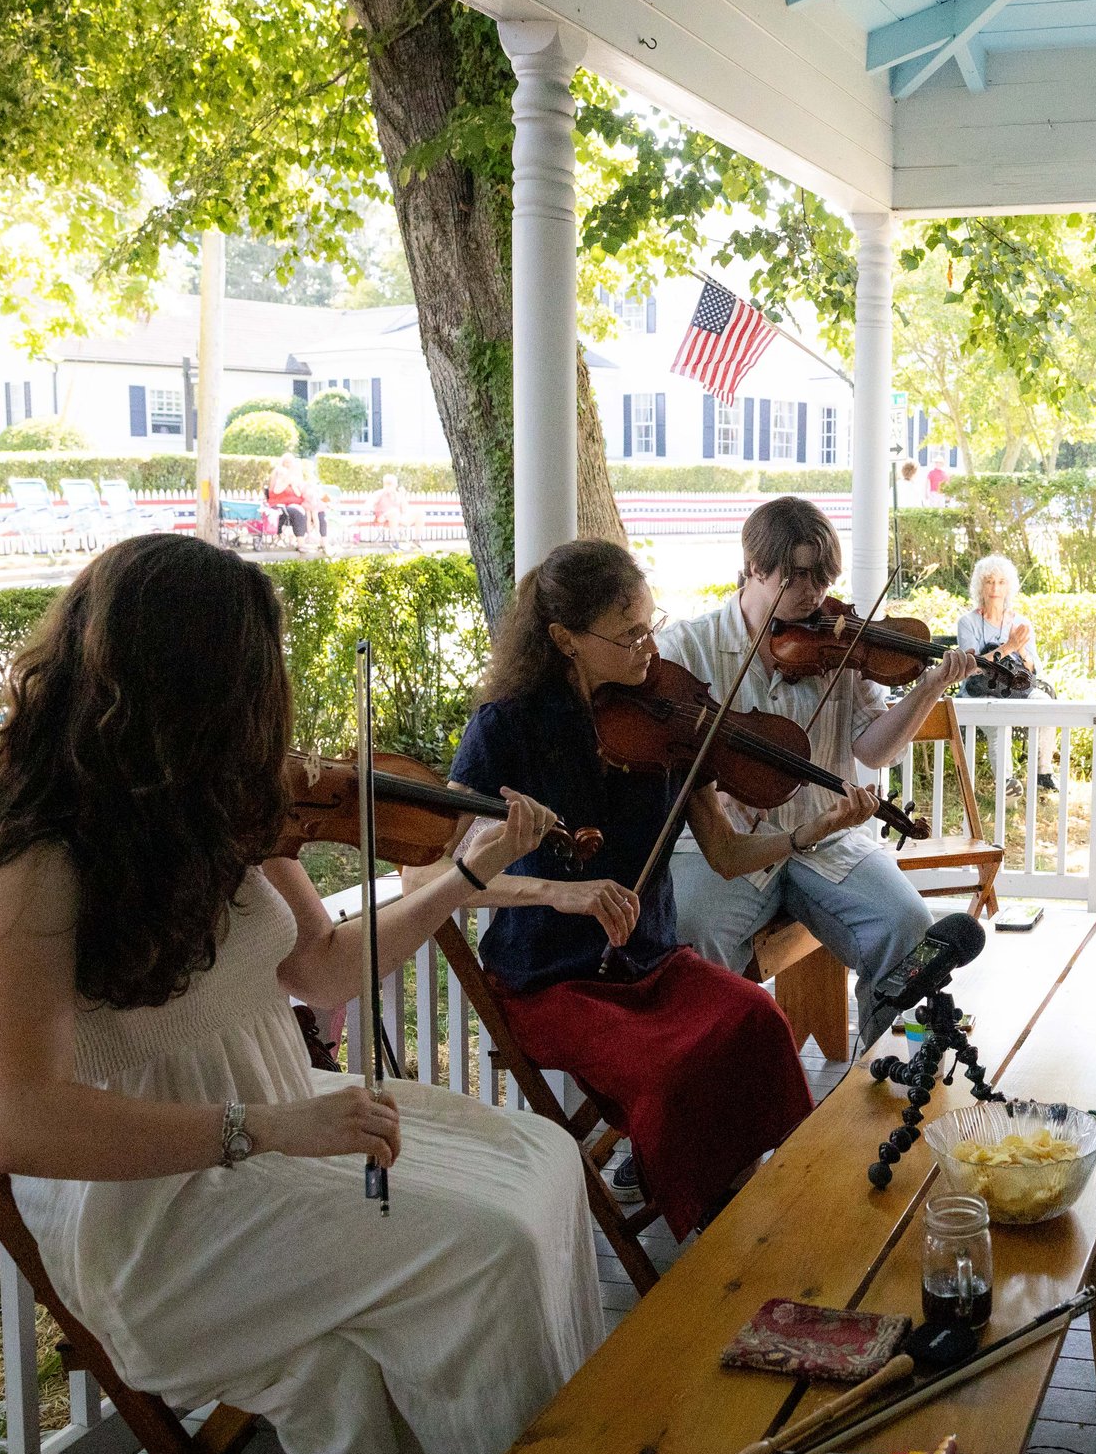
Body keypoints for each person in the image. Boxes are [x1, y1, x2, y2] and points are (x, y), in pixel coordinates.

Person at [0, 534, 602, 1454]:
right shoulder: (30, 868)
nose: (272, 705)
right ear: (183, 690)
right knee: (486, 1248)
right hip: (156, 1218)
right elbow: (16, 1121)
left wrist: (468, 872)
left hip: (283, 1127)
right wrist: (267, 1128)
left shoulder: (221, 811)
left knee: (544, 1154)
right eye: (253, 678)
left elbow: (322, 967)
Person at [418, 538, 862, 1231]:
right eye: (627, 635)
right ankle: (716, 1228)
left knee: (756, 1020)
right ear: (565, 639)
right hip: (551, 977)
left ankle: (750, 1204)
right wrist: (557, 891)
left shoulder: (664, 717)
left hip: (651, 959)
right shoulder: (506, 727)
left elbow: (726, 852)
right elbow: (428, 875)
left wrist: (807, 833)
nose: (649, 647)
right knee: (672, 1072)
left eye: (650, 624)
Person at [659, 497, 975, 1029]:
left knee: (910, 928)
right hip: (728, 845)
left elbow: (873, 750)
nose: (815, 594)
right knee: (688, 932)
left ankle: (879, 1069)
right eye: (799, 576)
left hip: (827, 834)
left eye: (824, 578)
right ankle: (711, 1065)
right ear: (754, 567)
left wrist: (930, 688)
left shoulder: (840, 643)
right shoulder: (689, 646)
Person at [956, 554, 1053, 793]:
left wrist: (1021, 650)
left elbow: (1034, 669)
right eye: (989, 582)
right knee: (1001, 723)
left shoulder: (1020, 622)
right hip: (980, 691)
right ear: (980, 585)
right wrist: (1008, 647)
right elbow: (971, 667)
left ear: (1009, 586)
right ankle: (1007, 785)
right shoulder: (968, 622)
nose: (995, 588)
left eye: (1001, 582)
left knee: (1047, 704)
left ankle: (1044, 773)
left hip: (1013, 688)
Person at [266, 460, 312, 551]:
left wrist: (293, 486)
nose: (284, 476)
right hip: (278, 508)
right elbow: (276, 491)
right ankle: (301, 544)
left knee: (311, 512)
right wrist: (286, 482)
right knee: (297, 513)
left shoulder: (290, 484)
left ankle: (313, 538)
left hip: (291, 507)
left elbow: (299, 495)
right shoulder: (277, 485)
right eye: (282, 474)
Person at [368, 473, 416, 548]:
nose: (393, 486)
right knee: (394, 512)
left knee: (419, 513)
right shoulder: (379, 493)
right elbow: (369, 504)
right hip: (381, 518)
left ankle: (417, 541)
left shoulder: (398, 495)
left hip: (396, 519)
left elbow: (404, 510)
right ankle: (395, 541)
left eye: (393, 484)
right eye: (389, 484)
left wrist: (403, 496)